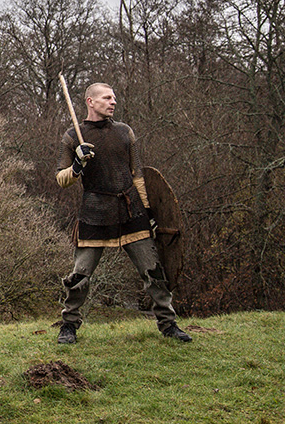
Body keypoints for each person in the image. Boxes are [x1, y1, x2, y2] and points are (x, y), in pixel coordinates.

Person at [55, 82, 192, 344]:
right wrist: (77, 163)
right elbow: (61, 179)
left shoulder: (124, 132)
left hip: (131, 212)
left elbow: (137, 176)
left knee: (153, 272)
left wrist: (149, 211)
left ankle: (168, 324)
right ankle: (69, 326)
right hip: (94, 213)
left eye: (114, 98)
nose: (113, 102)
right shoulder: (73, 136)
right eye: (107, 98)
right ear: (90, 102)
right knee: (79, 276)